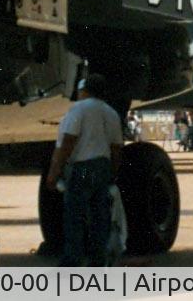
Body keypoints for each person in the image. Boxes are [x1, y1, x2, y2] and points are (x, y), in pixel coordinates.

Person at [46, 74, 125, 267]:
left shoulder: (79, 109)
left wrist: (54, 172)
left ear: (84, 90)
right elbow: (116, 147)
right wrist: (112, 172)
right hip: (102, 166)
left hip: (82, 167)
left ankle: (73, 259)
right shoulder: (111, 112)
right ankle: (98, 259)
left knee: (75, 215)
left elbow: (68, 141)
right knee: (100, 216)